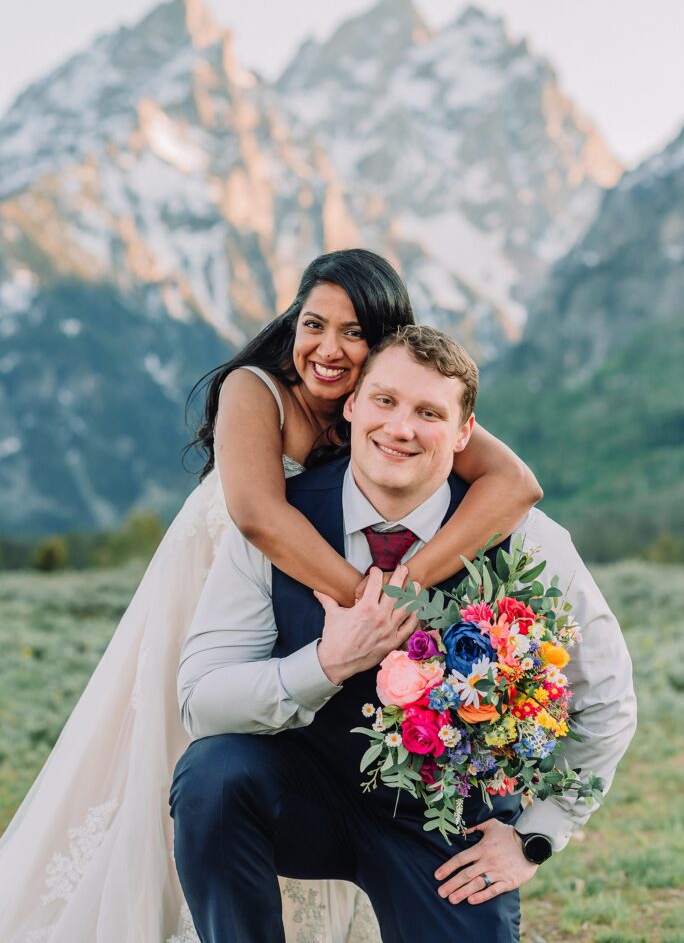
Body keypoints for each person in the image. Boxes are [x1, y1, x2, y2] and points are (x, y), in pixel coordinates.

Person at [0, 251, 541, 943]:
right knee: (190, 765)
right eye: (314, 323)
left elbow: (516, 485)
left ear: (386, 346)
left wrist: (412, 586)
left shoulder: (391, 405)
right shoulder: (256, 390)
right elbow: (258, 513)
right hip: (214, 598)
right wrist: (371, 607)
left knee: (313, 750)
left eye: (354, 333)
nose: (329, 346)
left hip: (316, 613)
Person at [171, 325, 637, 943]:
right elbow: (200, 701)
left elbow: (606, 698)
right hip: (304, 794)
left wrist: (537, 833)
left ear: (464, 433)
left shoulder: (529, 541)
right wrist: (325, 663)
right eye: (385, 401)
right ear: (353, 405)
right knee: (213, 775)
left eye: (429, 413)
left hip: (448, 831)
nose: (400, 428)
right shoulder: (279, 524)